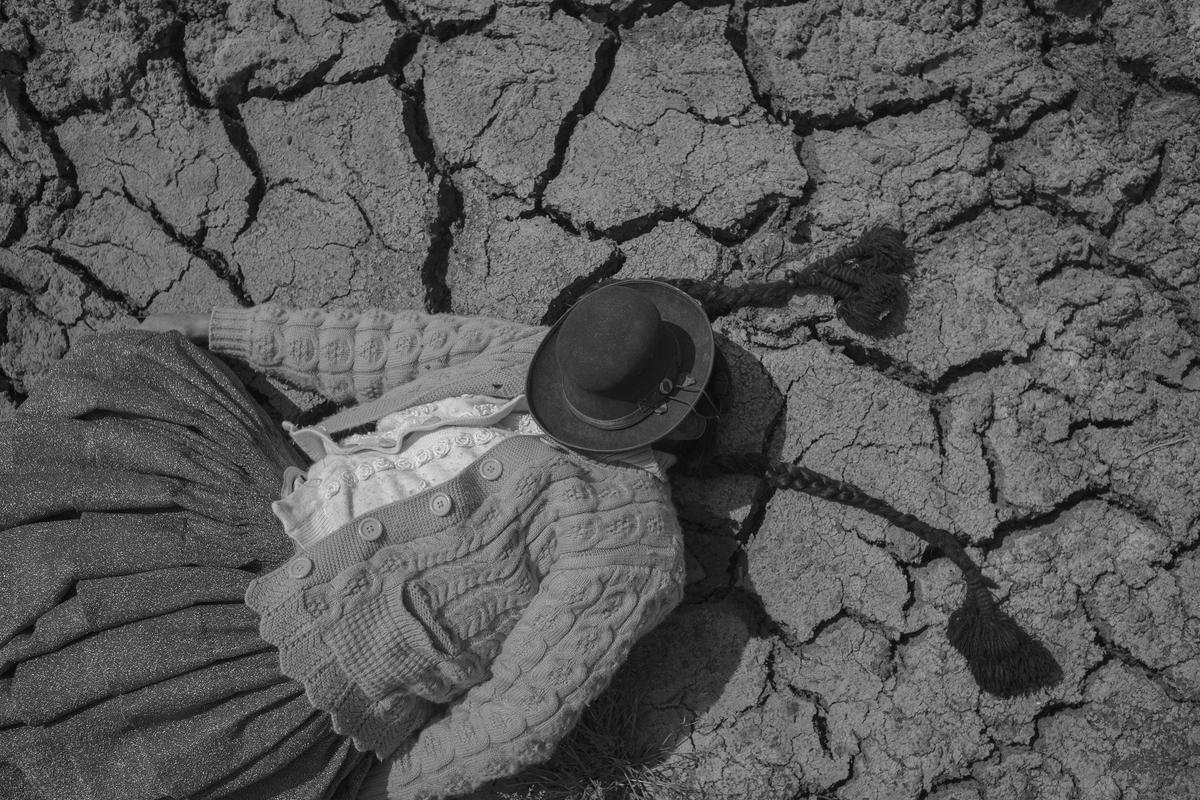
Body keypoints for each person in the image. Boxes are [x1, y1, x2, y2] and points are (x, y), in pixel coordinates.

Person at [0, 228, 1060, 800]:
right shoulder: (523, 354)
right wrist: (206, 331)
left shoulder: (625, 538)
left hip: (294, 667)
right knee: (93, 441)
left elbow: (526, 706)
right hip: (263, 495)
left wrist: (389, 785)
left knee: (83, 724)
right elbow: (348, 344)